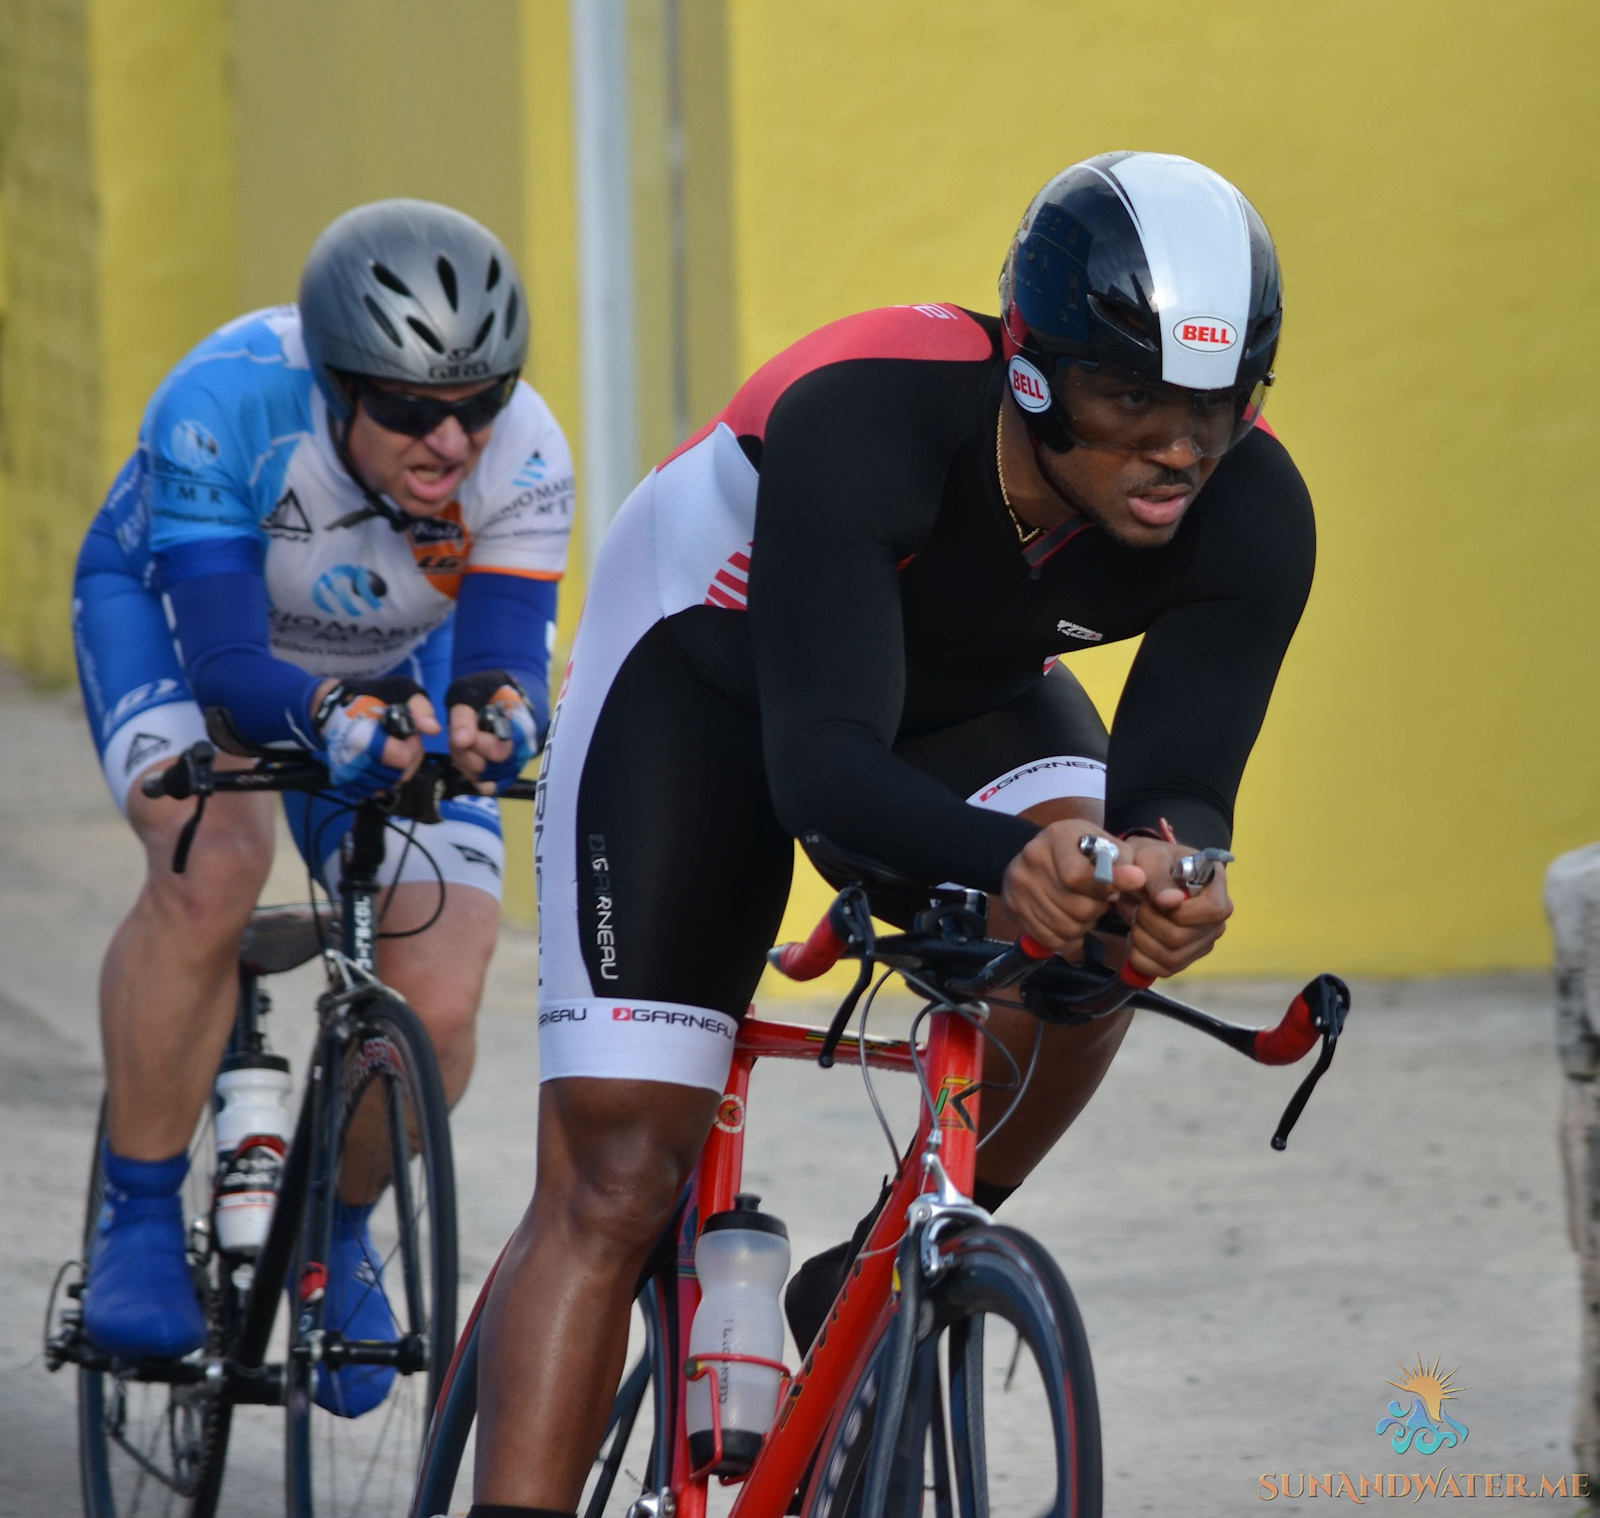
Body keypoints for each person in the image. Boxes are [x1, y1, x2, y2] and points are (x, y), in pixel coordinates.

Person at [469, 151, 1310, 1514]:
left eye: (1217, 406)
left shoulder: (1255, 513)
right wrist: (1004, 863)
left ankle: (885, 1258)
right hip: (706, 679)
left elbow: (1176, 795)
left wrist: (1173, 874)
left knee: (1096, 930)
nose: (1179, 446)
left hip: (953, 695)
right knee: (619, 1174)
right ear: (1033, 371)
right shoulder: (871, 414)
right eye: (1133, 396)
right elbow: (820, 771)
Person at [72, 199, 572, 1416]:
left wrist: (498, 719)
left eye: (480, 402)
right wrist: (339, 726)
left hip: (399, 647)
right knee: (212, 860)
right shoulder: (224, 403)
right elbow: (234, 670)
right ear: (337, 384)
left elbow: (502, 653)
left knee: (443, 997)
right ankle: (139, 1217)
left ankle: (331, 1230)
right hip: (190, 623)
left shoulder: (529, 451)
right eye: (408, 409)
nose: (452, 439)